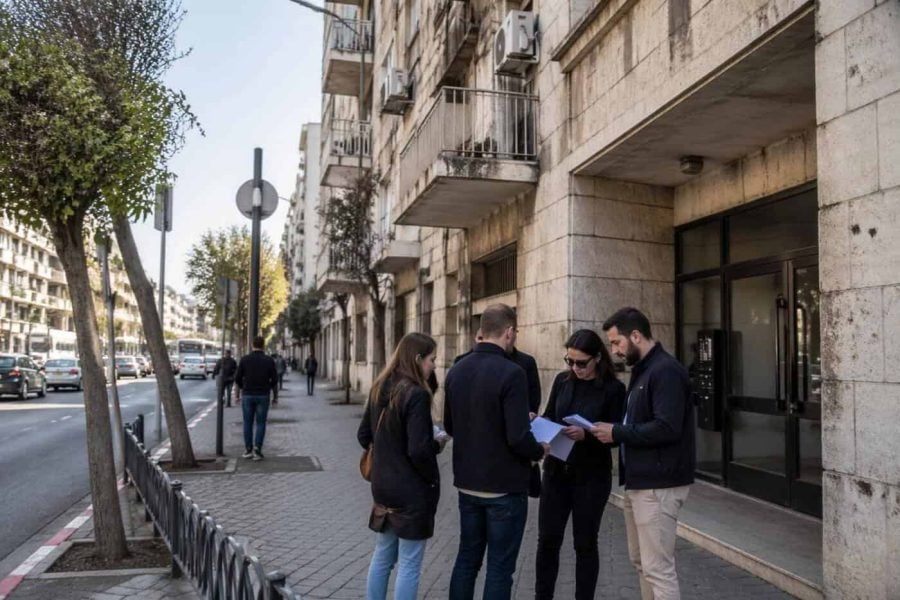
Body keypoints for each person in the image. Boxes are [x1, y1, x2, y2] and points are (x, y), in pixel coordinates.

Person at [444, 303, 549, 600]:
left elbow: (451, 426)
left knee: (467, 560)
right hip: (504, 487)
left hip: (467, 485)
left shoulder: (457, 369)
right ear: (509, 332)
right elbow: (518, 437)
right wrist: (539, 449)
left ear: (481, 332)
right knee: (500, 568)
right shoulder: (512, 373)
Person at [591, 308, 695, 600]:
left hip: (658, 486)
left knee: (658, 569)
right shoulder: (643, 371)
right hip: (639, 483)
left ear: (635, 335)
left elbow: (667, 427)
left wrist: (617, 432)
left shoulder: (665, 371)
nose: (614, 350)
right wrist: (613, 432)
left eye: (616, 343)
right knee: (641, 564)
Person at [535, 329, 626, 600]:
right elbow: (550, 414)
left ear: (598, 358)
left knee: (585, 544)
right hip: (556, 472)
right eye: (570, 361)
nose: (575, 368)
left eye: (581, 363)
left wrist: (586, 435)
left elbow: (616, 435)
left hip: (591, 477)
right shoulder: (563, 381)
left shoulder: (614, 389)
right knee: (548, 542)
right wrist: (540, 423)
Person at [357, 332, 445, 600]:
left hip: (383, 488)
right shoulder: (416, 394)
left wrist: (387, 446)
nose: (434, 365)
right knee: (409, 563)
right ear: (417, 359)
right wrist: (437, 445)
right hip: (410, 493)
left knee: (383, 557)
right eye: (432, 359)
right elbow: (419, 450)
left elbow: (363, 436)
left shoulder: (379, 386)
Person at [235, 336, 278, 461]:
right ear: (263, 345)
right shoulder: (269, 360)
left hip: (248, 394)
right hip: (263, 395)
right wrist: (272, 394)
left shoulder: (245, 360)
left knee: (247, 423)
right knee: (261, 423)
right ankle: (257, 449)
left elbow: (237, 378)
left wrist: (243, 389)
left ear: (252, 345)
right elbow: (275, 380)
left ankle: (248, 449)